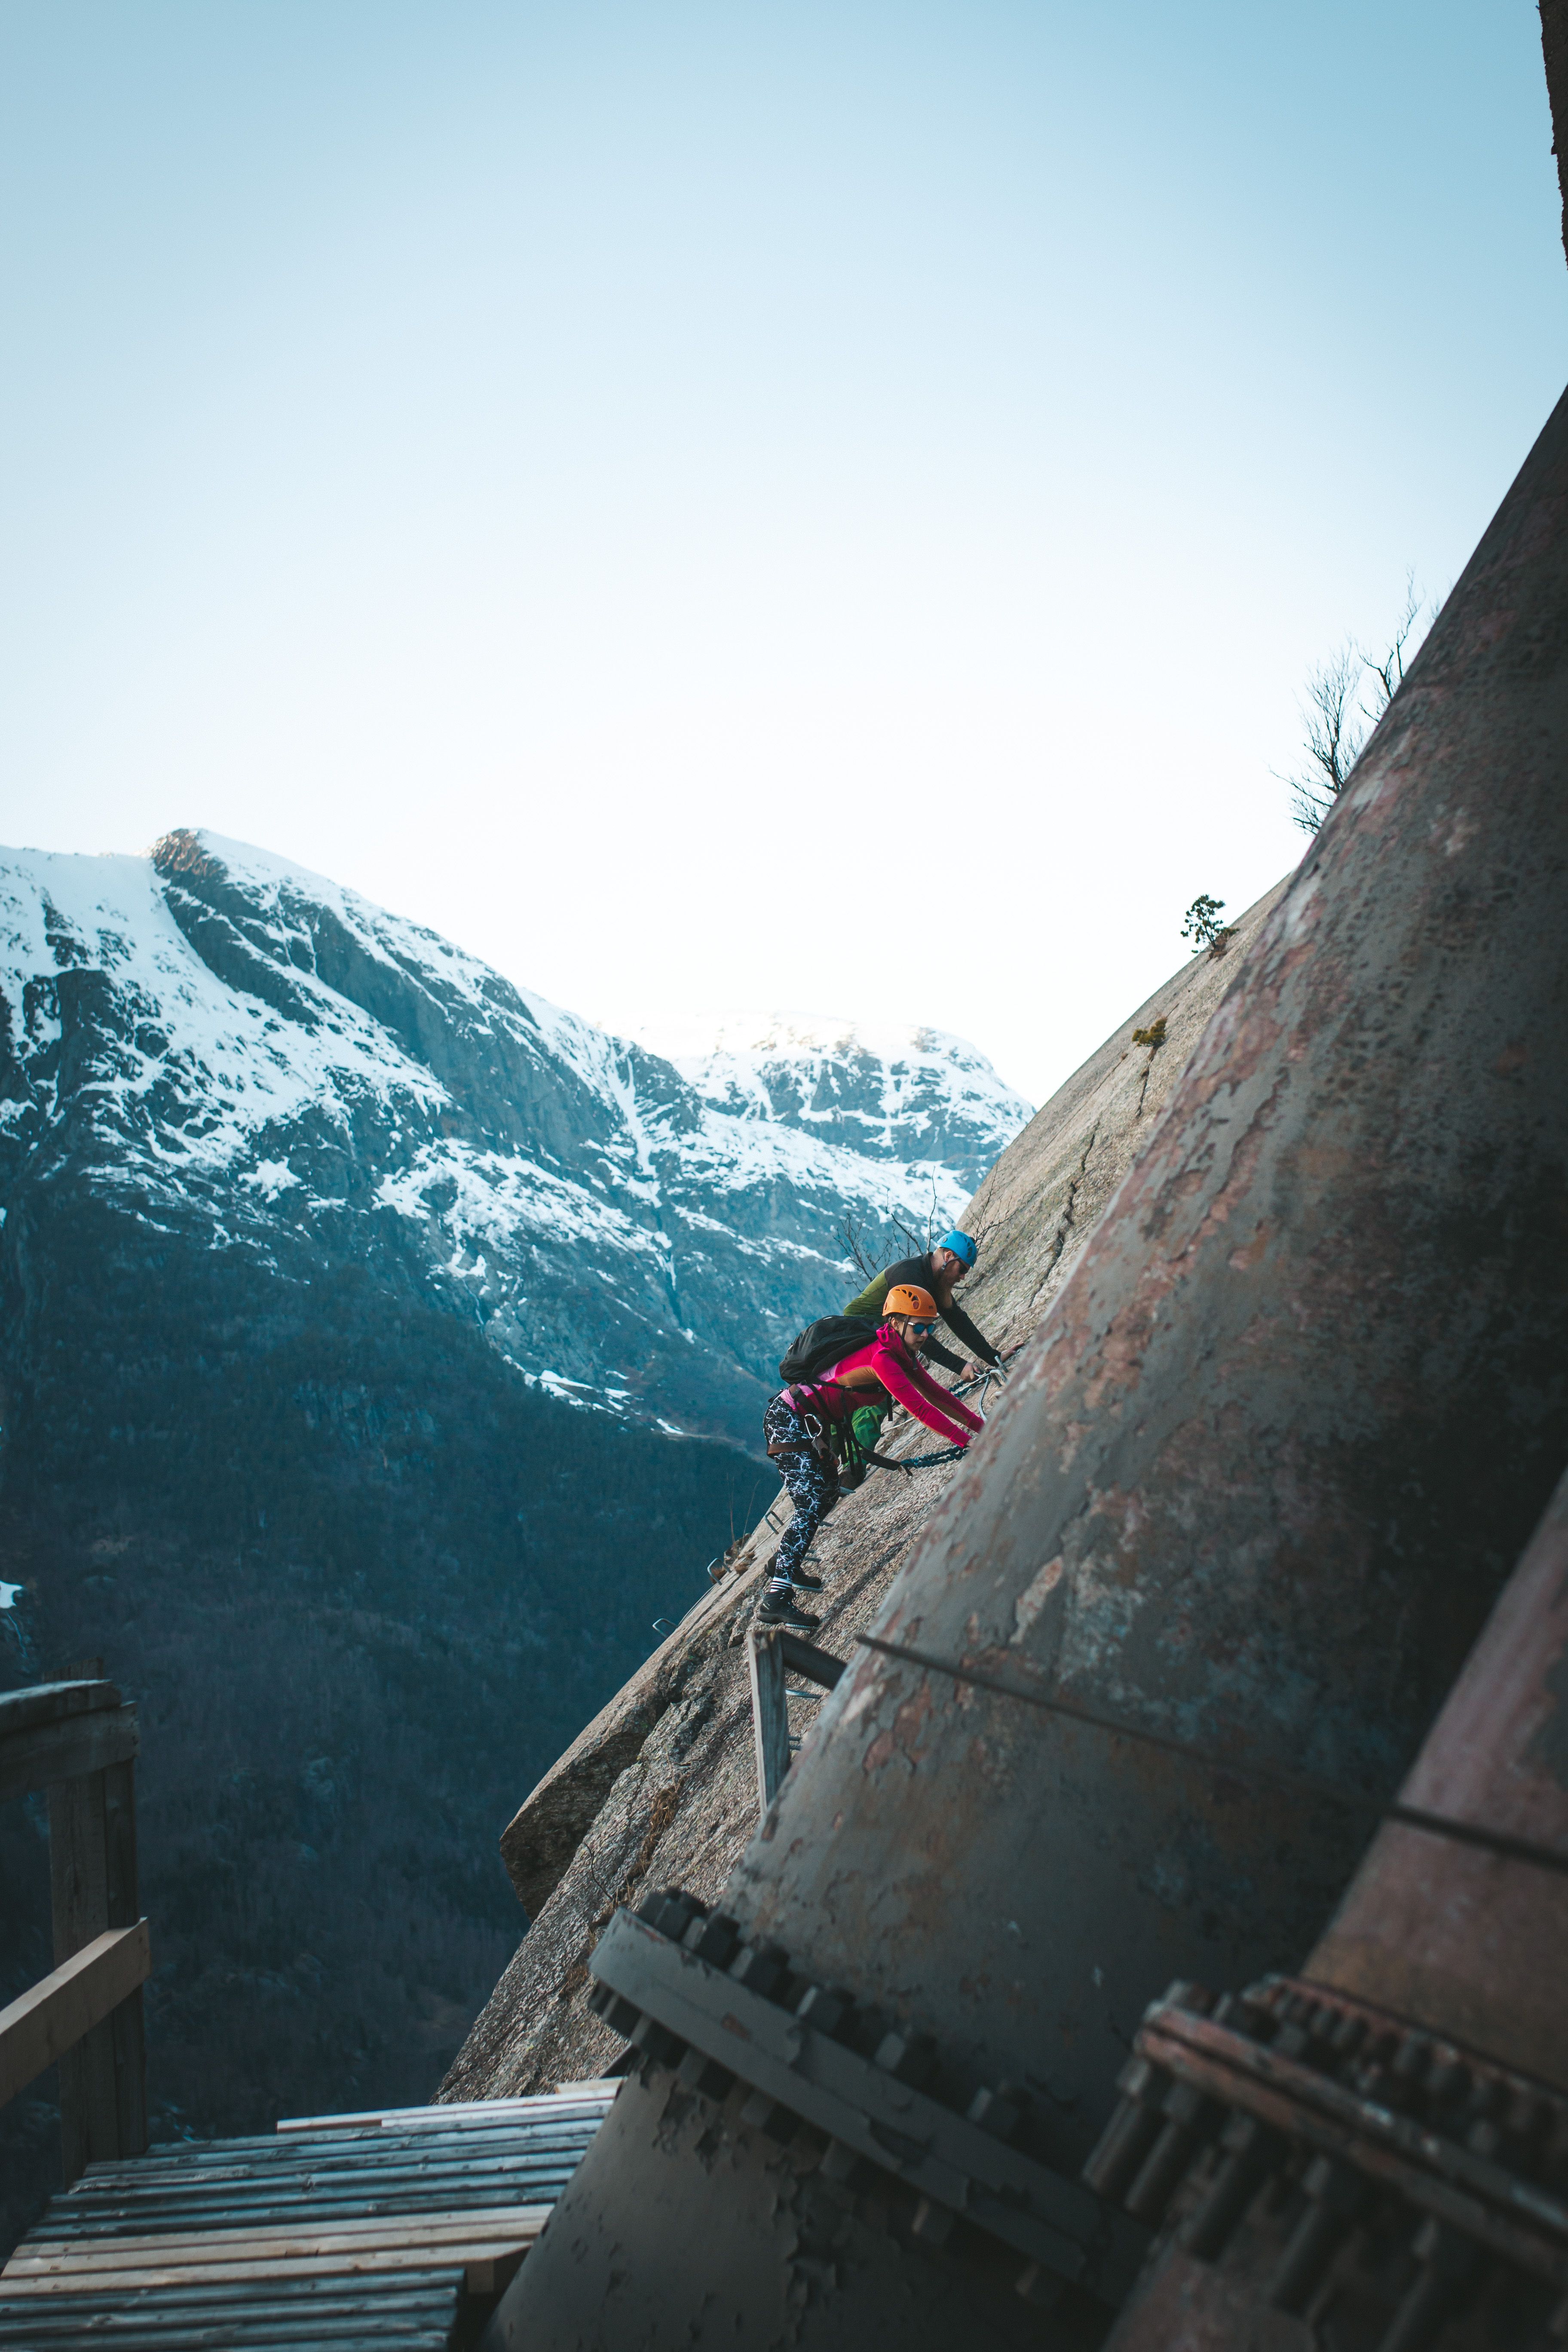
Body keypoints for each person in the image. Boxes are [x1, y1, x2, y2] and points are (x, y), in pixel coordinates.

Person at [758, 1285, 983, 1629]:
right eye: (918, 1326)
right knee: (811, 1502)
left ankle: (785, 1564)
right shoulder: (882, 1357)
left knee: (825, 1495)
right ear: (895, 1322)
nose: (924, 1334)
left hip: (800, 1419)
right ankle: (776, 1596)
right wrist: (965, 1440)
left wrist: (981, 1428)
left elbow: (936, 1394)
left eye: (930, 1327)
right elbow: (920, 1408)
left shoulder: (898, 1353)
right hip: (789, 1420)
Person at [842, 1229, 1001, 1466]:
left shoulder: (935, 1279)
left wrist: (994, 1357)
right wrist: (960, 1366)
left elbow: (957, 1319)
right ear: (948, 1257)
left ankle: (846, 1463)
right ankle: (851, 1468)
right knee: (873, 1400)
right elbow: (919, 1336)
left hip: (881, 1335)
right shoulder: (911, 1276)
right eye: (963, 1269)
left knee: (862, 1401)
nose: (964, 1277)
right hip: (859, 1334)